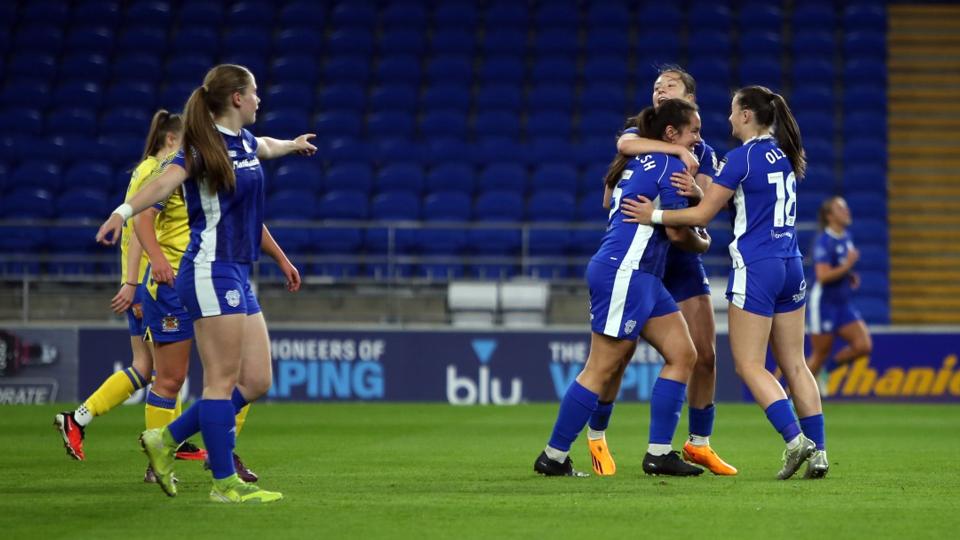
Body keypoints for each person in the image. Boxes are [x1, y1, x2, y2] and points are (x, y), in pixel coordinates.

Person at [96, 64, 315, 503]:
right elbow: (161, 186)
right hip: (209, 269)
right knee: (220, 381)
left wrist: (291, 145)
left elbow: (266, 147)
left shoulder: (245, 142)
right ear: (237, 98)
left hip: (235, 270)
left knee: (255, 381)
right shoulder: (199, 150)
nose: (259, 100)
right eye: (254, 93)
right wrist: (121, 213)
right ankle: (223, 484)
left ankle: (166, 438)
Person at [621, 86, 829, 479]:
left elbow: (702, 215)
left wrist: (654, 216)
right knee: (796, 364)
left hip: (758, 265)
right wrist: (704, 191)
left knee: (750, 364)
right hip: (791, 262)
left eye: (734, 111)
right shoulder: (782, 154)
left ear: (748, 114)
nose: (729, 119)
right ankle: (819, 452)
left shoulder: (739, 158)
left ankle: (793, 440)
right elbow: (745, 200)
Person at [534, 99, 709, 477]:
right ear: (670, 133)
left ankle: (659, 454)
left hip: (642, 274)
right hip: (625, 271)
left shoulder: (640, 160)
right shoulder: (671, 163)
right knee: (600, 368)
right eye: (693, 131)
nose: (698, 138)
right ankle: (554, 456)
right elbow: (679, 234)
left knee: (683, 353)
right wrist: (704, 238)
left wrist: (695, 197)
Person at [587, 66, 737, 477]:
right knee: (615, 359)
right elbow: (609, 195)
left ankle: (699, 444)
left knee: (704, 354)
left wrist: (698, 197)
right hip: (638, 259)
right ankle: (597, 437)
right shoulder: (637, 137)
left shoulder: (702, 150)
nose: (658, 91)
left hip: (681, 262)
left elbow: (699, 215)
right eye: (655, 86)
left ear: (689, 96)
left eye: (667, 86)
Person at [54, 110, 207, 471]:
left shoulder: (151, 170)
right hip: (149, 283)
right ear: (172, 139)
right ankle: (156, 453)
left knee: (148, 367)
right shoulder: (156, 172)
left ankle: (81, 420)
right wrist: (134, 284)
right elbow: (137, 230)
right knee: (165, 370)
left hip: (145, 280)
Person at [133, 120, 259, 483]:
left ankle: (220, 451)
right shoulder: (178, 167)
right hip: (174, 280)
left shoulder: (224, 163)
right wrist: (147, 267)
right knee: (172, 378)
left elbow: (248, 218)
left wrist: (281, 258)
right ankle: (159, 460)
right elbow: (140, 219)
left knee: (240, 376)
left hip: (216, 274)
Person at [806, 196, 872, 389]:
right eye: (841, 209)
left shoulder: (846, 236)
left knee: (863, 346)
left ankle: (827, 372)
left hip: (843, 304)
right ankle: (790, 398)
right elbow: (823, 276)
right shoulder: (824, 241)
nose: (847, 212)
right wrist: (847, 266)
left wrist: (848, 274)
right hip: (824, 304)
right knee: (819, 354)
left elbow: (840, 268)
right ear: (829, 216)